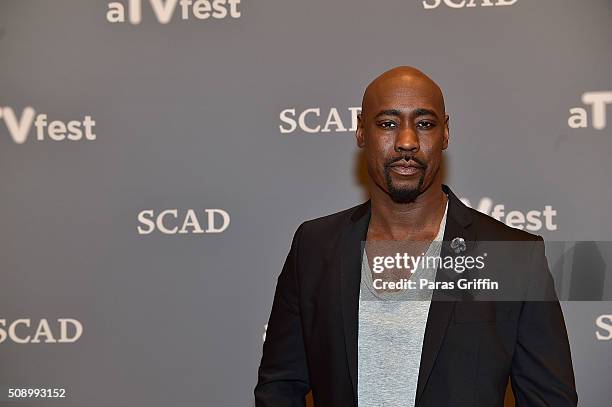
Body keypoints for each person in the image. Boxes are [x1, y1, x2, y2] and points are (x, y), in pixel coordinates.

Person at [254, 66, 577, 407]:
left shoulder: (510, 256)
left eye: (424, 123)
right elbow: (279, 387)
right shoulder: (315, 246)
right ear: (361, 132)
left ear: (446, 133)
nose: (407, 142)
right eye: (388, 124)